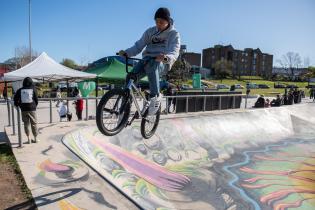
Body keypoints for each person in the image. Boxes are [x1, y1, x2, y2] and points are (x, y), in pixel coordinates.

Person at [118, 7, 180, 115]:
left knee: (153, 65)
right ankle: (125, 104)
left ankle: (155, 97)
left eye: (161, 22)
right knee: (131, 77)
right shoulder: (150, 32)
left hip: (163, 62)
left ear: (168, 21)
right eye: (156, 22)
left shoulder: (174, 34)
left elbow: (174, 51)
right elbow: (138, 46)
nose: (158, 24)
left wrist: (166, 57)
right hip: (147, 59)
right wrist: (127, 53)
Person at [13, 77, 39, 144]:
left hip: (24, 109)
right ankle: (35, 139)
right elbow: (36, 99)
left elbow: (15, 99)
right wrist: (34, 106)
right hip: (32, 109)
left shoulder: (20, 90)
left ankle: (28, 139)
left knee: (26, 124)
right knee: (34, 123)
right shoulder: (33, 89)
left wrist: (19, 105)